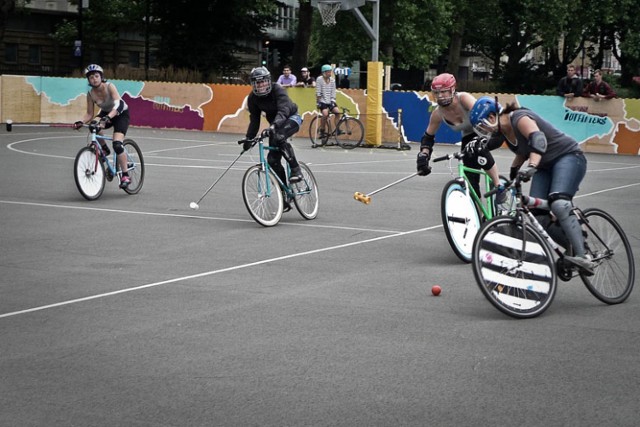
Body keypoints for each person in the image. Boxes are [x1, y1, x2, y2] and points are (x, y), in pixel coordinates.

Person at [469, 96, 595, 273]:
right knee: (538, 216)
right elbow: (522, 152)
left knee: (558, 203)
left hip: (568, 157)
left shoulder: (519, 117)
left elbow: (538, 140)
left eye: (483, 126)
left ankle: (584, 257)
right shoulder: (505, 132)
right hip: (544, 165)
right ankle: (573, 244)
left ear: (491, 117)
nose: (485, 131)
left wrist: (532, 166)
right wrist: (513, 176)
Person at [416, 73, 504, 202]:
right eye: (437, 93)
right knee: (470, 180)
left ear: (452, 89)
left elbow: (484, 114)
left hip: (490, 130)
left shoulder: (464, 99)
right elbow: (428, 137)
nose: (440, 96)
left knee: (478, 148)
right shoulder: (438, 114)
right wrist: (423, 156)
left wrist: (485, 135)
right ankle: (477, 212)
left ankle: (499, 186)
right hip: (469, 136)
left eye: (444, 92)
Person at [239, 67, 304, 211]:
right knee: (272, 161)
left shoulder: (278, 89)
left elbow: (284, 110)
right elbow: (254, 120)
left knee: (280, 137)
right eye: (257, 83)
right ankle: (285, 196)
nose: (261, 85)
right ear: (253, 85)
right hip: (275, 126)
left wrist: (274, 125)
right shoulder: (253, 98)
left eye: (263, 82)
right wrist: (248, 139)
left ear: (268, 81)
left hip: (291, 118)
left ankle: (296, 170)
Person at [73, 64, 132, 189]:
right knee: (93, 126)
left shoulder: (110, 86)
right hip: (106, 114)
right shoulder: (90, 94)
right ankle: (104, 149)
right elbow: (89, 114)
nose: (94, 79)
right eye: (91, 77)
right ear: (88, 80)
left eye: (96, 76)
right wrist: (80, 121)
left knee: (117, 144)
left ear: (101, 77)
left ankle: (125, 175)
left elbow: (118, 104)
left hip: (120, 113)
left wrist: (108, 117)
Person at [315, 64, 341, 140]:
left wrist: (333, 100)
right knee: (325, 114)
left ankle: (337, 129)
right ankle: (322, 130)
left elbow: (333, 91)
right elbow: (318, 91)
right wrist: (318, 101)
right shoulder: (319, 79)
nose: (330, 73)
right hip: (322, 100)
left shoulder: (332, 80)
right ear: (324, 72)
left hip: (330, 100)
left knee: (337, 112)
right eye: (328, 72)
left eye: (330, 72)